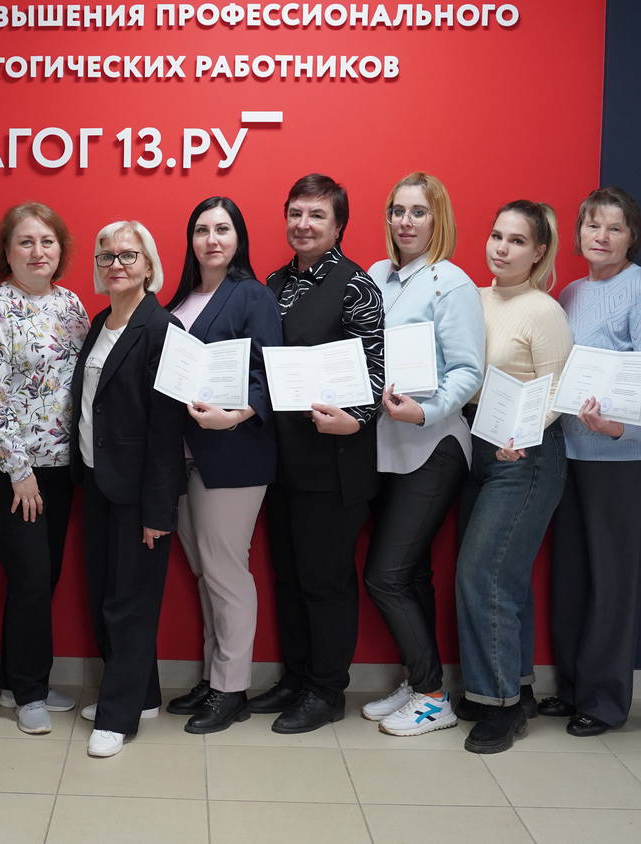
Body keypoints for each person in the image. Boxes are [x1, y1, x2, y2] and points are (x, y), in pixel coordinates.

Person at [544, 187, 641, 737]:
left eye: (614, 228)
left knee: (613, 583)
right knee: (572, 578)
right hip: (572, 453)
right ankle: (572, 688)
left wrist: (619, 426)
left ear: (632, 237)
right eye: (592, 225)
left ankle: (602, 701)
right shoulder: (572, 293)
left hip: (627, 460)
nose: (600, 237)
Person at [252, 174, 385, 735]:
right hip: (281, 459)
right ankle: (296, 678)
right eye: (296, 213)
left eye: (316, 216)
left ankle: (327, 690)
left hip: (334, 461)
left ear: (339, 226)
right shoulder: (273, 282)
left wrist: (356, 417)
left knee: (324, 579)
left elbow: (378, 372)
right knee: (287, 575)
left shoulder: (356, 285)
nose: (303, 224)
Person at [360, 172, 484, 737]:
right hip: (384, 449)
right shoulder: (375, 276)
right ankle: (420, 679)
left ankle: (434, 698)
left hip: (433, 445)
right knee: (410, 574)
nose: (405, 222)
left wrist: (424, 412)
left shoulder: (451, 284)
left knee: (384, 575)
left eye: (418, 212)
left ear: (439, 219)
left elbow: (468, 371)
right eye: (397, 211)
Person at [0, 203, 89, 734]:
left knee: (44, 575)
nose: (38, 252)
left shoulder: (72, 305)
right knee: (32, 575)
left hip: (62, 464)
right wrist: (19, 470)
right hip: (9, 467)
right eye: (26, 242)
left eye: (47, 241)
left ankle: (17, 682)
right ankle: (29, 692)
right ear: (7, 252)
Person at [454, 201, 572, 753]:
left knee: (484, 574)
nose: (502, 248)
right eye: (497, 235)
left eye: (517, 240)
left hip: (525, 453)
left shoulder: (542, 310)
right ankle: (515, 690)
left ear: (539, 251)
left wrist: (521, 435)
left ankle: (498, 708)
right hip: (475, 444)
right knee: (504, 577)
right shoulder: (473, 299)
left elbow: (558, 389)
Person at [162, 197, 282, 734]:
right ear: (191, 240)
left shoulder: (252, 295)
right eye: (202, 230)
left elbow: (269, 372)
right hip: (183, 454)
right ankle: (214, 678)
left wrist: (235, 415)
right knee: (205, 570)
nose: (212, 239)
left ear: (239, 238)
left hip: (233, 453)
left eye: (223, 229)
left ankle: (232, 689)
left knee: (226, 571)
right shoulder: (180, 300)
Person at [70, 220, 186, 757]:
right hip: (98, 482)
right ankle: (141, 695)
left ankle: (117, 717)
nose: (116, 264)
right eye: (107, 256)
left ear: (148, 265)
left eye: (128, 255)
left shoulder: (163, 330)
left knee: (129, 605)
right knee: (104, 596)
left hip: (140, 493)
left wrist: (158, 511)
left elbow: (167, 431)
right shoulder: (101, 323)